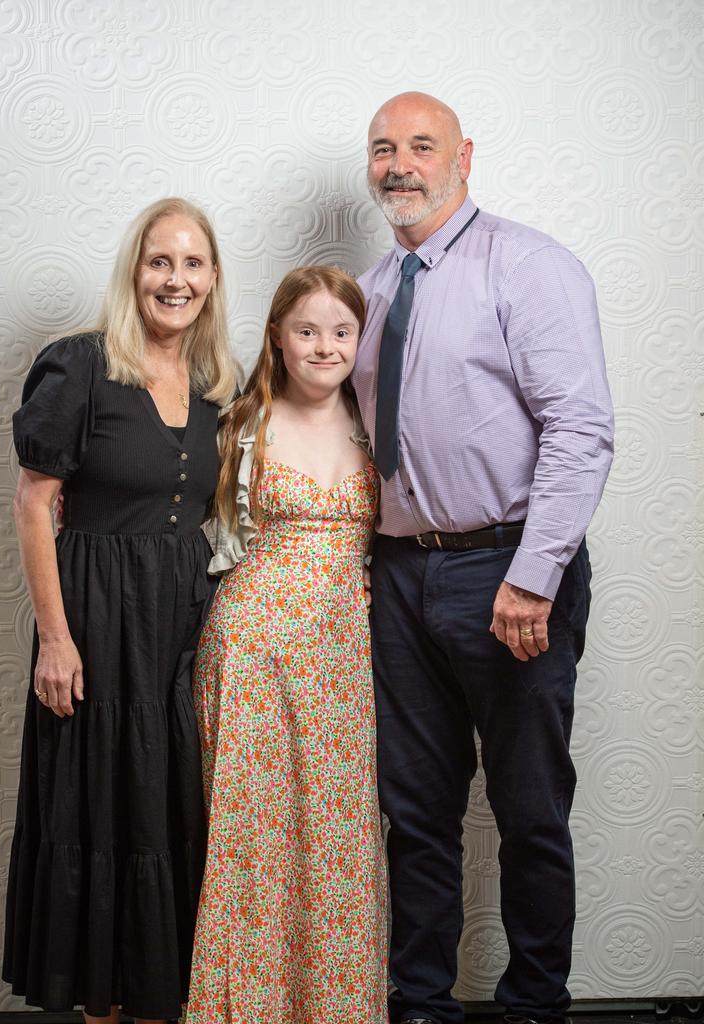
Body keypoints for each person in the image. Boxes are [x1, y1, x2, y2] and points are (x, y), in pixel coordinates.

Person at [353, 92, 614, 1024]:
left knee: (529, 809)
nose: (399, 165)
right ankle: (420, 1003)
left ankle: (536, 1004)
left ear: (465, 156)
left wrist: (533, 577)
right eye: (383, 149)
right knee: (415, 815)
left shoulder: (528, 264)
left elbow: (579, 431)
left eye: (420, 146)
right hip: (399, 580)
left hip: (508, 573)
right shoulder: (375, 289)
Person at [4, 197, 237, 1024]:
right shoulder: (81, 366)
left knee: (169, 807)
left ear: (212, 279)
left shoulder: (219, 385)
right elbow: (36, 506)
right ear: (133, 271)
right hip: (96, 619)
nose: (176, 280)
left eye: (192, 264)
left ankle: (157, 1006)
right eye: (159, 262)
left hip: (182, 628)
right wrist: (55, 641)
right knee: (101, 808)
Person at [185, 266, 388, 1024]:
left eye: (341, 331)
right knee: (254, 842)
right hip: (253, 654)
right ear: (278, 335)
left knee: (338, 843)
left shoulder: (378, 420)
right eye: (307, 330)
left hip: (342, 659)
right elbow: (176, 507)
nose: (324, 346)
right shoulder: (244, 419)